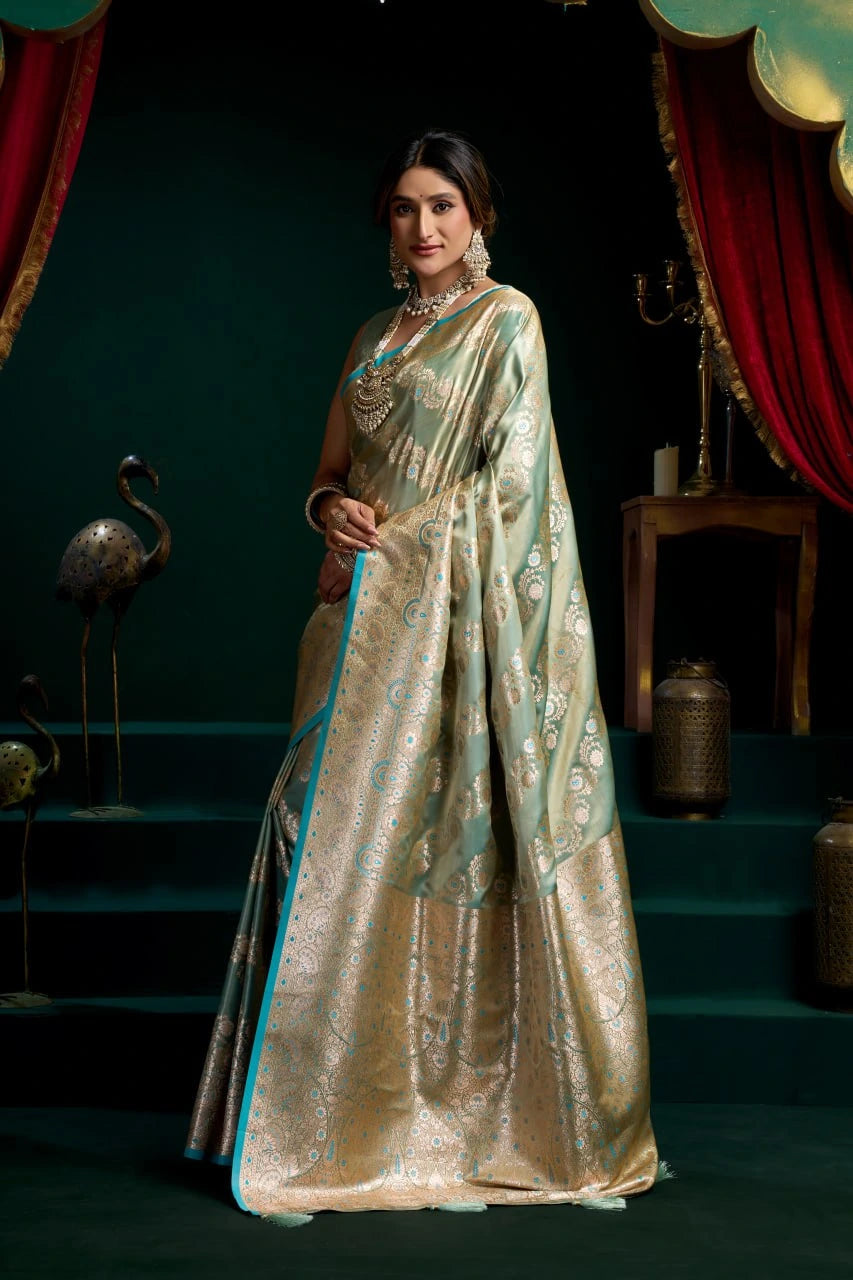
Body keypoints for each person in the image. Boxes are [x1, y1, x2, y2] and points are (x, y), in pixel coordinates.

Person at [185, 128, 663, 1220]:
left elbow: (520, 488)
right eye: (404, 208)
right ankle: (314, 1113)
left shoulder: (508, 323)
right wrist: (332, 512)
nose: (425, 227)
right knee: (318, 832)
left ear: (479, 215)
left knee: (442, 838)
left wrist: (404, 546)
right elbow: (330, 470)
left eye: (443, 204)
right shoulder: (371, 336)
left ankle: (458, 1119)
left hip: (455, 636)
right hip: (356, 625)